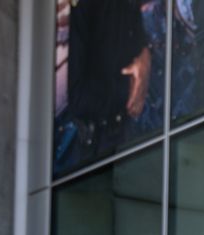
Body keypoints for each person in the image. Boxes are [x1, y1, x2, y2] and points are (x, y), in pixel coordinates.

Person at [63, 0, 155, 166]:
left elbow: (139, 40)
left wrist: (145, 54)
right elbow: (77, 98)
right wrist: (127, 90)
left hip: (120, 133)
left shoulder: (127, 7)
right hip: (91, 141)